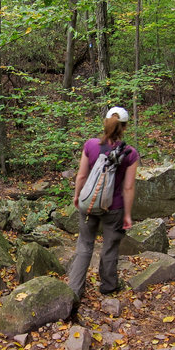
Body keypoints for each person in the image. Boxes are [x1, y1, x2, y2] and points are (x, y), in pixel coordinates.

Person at [67, 106, 140, 300]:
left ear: (105, 123)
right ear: (124, 127)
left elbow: (82, 175)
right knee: (110, 246)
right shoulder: (130, 154)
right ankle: (108, 286)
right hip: (114, 208)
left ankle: (74, 290)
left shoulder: (90, 145)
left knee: (84, 245)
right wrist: (127, 215)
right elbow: (128, 188)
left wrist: (77, 196)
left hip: (89, 204)